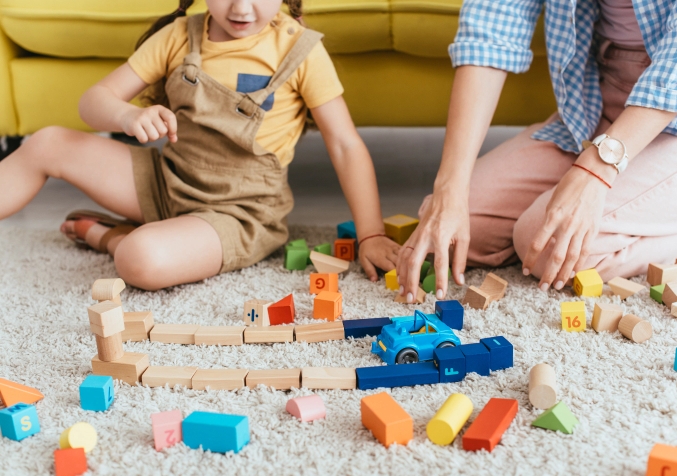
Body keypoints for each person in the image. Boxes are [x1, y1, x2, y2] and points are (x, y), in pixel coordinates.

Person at [0, 0, 399, 290]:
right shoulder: (178, 35)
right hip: (167, 181)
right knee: (48, 142)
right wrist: (126, 116)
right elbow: (93, 102)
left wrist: (371, 234)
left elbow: (345, 145)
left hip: (241, 213)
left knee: (138, 259)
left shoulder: (302, 51)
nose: (242, 8)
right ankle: (159, 229)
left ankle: (108, 236)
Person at [397, 0, 677, 303]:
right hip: (596, 106)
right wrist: (449, 188)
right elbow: (491, 28)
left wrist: (594, 171)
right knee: (453, 233)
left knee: (547, 246)